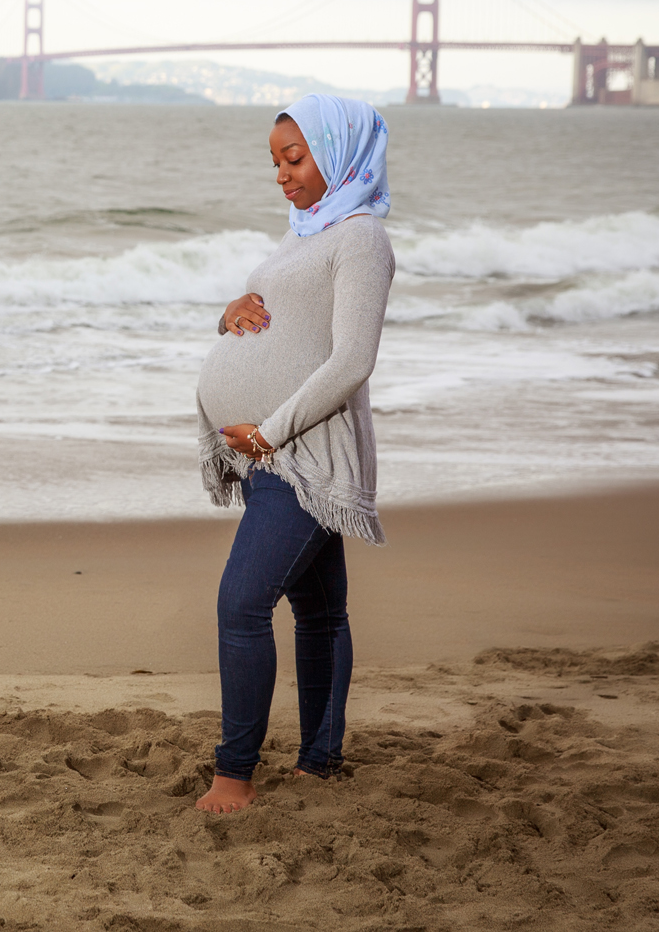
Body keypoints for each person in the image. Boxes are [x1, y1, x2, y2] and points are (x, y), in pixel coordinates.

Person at [192, 93, 395, 815]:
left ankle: (234, 774)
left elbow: (351, 361)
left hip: (302, 458)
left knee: (242, 603)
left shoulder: (360, 237)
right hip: (266, 458)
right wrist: (229, 313)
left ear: (338, 154)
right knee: (319, 610)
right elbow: (269, 316)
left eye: (296, 157)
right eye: (275, 160)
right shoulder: (303, 234)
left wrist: (272, 432)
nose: (282, 174)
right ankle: (320, 760)